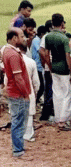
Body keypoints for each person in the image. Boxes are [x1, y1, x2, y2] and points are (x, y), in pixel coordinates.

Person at [2, 28, 31, 158]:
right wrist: (25, 93)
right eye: (21, 36)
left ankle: (18, 147)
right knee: (19, 122)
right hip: (18, 93)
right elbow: (18, 78)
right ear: (14, 38)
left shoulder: (7, 51)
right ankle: (18, 150)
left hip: (14, 92)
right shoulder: (13, 55)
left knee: (17, 121)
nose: (23, 38)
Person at [44, 14, 71, 131]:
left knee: (57, 94)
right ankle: (64, 120)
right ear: (62, 23)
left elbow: (47, 55)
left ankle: (58, 119)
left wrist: (51, 67)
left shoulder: (48, 37)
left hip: (54, 68)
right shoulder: (64, 38)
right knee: (67, 94)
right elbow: (68, 56)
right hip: (64, 69)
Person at [39, 20, 54, 121]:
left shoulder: (47, 37)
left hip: (49, 68)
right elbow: (41, 51)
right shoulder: (47, 37)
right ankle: (45, 115)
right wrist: (47, 64)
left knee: (49, 91)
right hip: (50, 69)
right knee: (49, 91)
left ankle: (48, 113)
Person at [31, 25, 46, 104]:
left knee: (41, 85)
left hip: (39, 66)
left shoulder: (38, 39)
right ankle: (35, 101)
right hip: (37, 66)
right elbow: (40, 51)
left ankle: (36, 101)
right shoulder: (36, 40)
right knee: (41, 86)